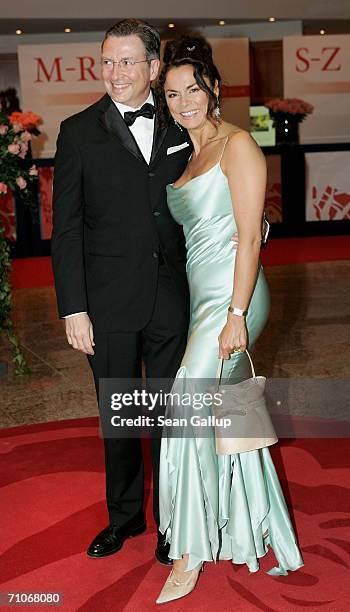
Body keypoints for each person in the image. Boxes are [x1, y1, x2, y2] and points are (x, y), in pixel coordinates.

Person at [154, 35, 304, 604]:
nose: (185, 100)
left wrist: (237, 314)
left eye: (194, 88)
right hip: (202, 299)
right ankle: (252, 525)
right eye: (173, 93)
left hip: (234, 298)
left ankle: (189, 554)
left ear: (213, 88)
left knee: (188, 405)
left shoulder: (238, 145)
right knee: (228, 415)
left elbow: (249, 238)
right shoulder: (188, 153)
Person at [51, 19, 194, 566]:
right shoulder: (77, 130)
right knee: (120, 417)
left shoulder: (182, 119)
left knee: (166, 418)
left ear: (154, 68)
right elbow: (66, 228)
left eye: (128, 61)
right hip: (106, 301)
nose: (115, 73)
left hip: (171, 295)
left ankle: (172, 521)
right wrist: (74, 307)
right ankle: (126, 517)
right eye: (108, 61)